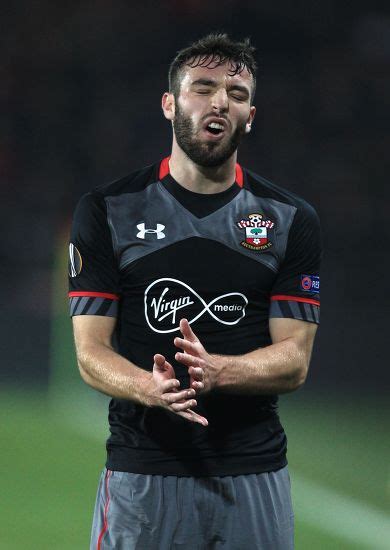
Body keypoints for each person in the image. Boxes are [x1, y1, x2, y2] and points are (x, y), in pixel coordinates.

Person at [69, 33, 321, 550]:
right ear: (169, 104)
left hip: (255, 474)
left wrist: (220, 371)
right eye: (202, 87)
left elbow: (295, 361)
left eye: (237, 93)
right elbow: (90, 352)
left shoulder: (289, 219)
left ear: (251, 115)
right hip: (145, 475)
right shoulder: (108, 210)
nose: (220, 102)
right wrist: (147, 387)